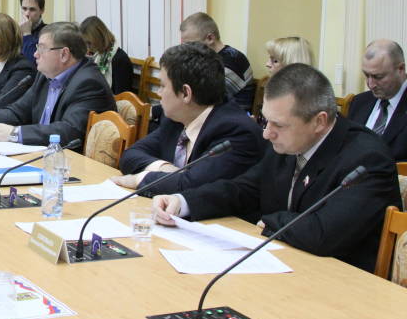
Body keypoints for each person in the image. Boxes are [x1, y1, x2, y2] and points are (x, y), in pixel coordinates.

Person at [152, 63, 402, 272]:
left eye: (278, 125)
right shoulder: (289, 142)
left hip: (341, 282)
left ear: (319, 121)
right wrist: (184, 202)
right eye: (265, 120)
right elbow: (244, 189)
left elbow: (323, 233)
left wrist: (268, 221)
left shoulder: (367, 160)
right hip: (288, 264)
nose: (266, 133)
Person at [112, 42, 264, 194]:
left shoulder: (236, 132)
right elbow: (130, 155)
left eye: (163, 86)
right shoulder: (177, 118)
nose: (159, 93)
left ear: (186, 93)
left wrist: (140, 179)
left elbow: (193, 185)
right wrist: (165, 168)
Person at [0, 22, 116, 147]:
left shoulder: (88, 83)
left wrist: (14, 133)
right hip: (42, 153)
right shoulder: (45, 75)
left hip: (69, 161)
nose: (35, 54)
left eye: (41, 49)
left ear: (64, 54)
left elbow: (69, 131)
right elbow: (19, 110)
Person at [180, 11, 255, 112]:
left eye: (191, 44)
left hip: (230, 117)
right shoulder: (207, 58)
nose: (187, 50)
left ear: (210, 38)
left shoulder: (233, 61)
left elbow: (204, 101)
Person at [348, 39, 407, 161]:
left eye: (378, 77)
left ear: (400, 69)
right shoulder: (359, 102)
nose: (370, 84)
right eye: (366, 75)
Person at [80, 15, 133, 94]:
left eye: (89, 43)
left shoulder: (120, 60)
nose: (88, 48)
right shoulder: (99, 55)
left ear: (99, 38)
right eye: (85, 43)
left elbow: (122, 95)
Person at [19, 0, 46, 65]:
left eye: (32, 9)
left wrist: (27, 34)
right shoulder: (14, 31)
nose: (27, 13)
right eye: (24, 9)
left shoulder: (47, 32)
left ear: (42, 10)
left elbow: (33, 62)